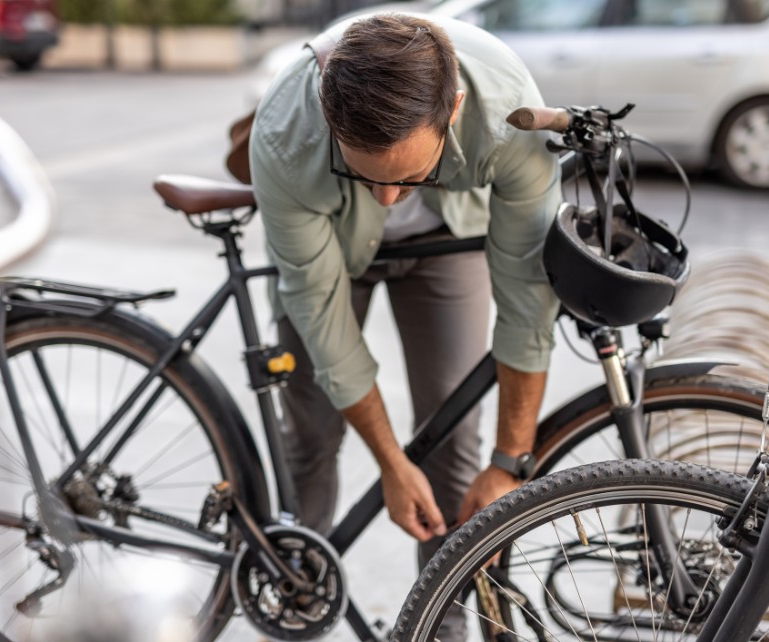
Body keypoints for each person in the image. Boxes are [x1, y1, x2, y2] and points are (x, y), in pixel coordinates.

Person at [249, 12, 561, 631]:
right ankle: (297, 603)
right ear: (328, 116)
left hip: (450, 235)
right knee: (312, 436)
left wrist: (510, 465)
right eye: (364, 174)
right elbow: (325, 324)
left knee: (452, 443)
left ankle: (440, 629)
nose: (389, 199)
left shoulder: (510, 110)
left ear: (456, 110)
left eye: (409, 176)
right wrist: (391, 463)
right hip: (329, 244)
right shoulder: (287, 134)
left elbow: (528, 300)